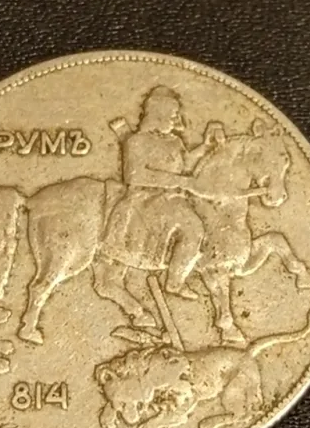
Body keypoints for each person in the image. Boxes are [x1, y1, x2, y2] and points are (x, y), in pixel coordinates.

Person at [93, 85, 223, 326]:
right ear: (158, 113)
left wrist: (205, 147)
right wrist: (180, 182)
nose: (177, 119)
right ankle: (175, 281)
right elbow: (135, 175)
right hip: (145, 200)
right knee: (193, 229)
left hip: (172, 199)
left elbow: (185, 164)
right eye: (173, 114)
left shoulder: (174, 142)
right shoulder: (137, 141)